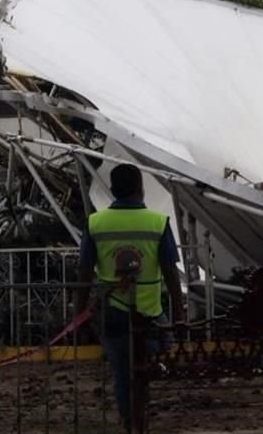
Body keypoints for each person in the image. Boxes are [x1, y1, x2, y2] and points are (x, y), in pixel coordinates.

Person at [76, 164, 186, 434]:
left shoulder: (95, 223)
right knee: (158, 351)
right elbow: (172, 274)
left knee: (122, 373)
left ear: (112, 190)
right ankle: (148, 380)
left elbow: (84, 274)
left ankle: (130, 422)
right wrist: (180, 315)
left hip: (112, 312)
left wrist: (78, 316)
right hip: (150, 313)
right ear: (141, 188)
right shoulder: (158, 223)